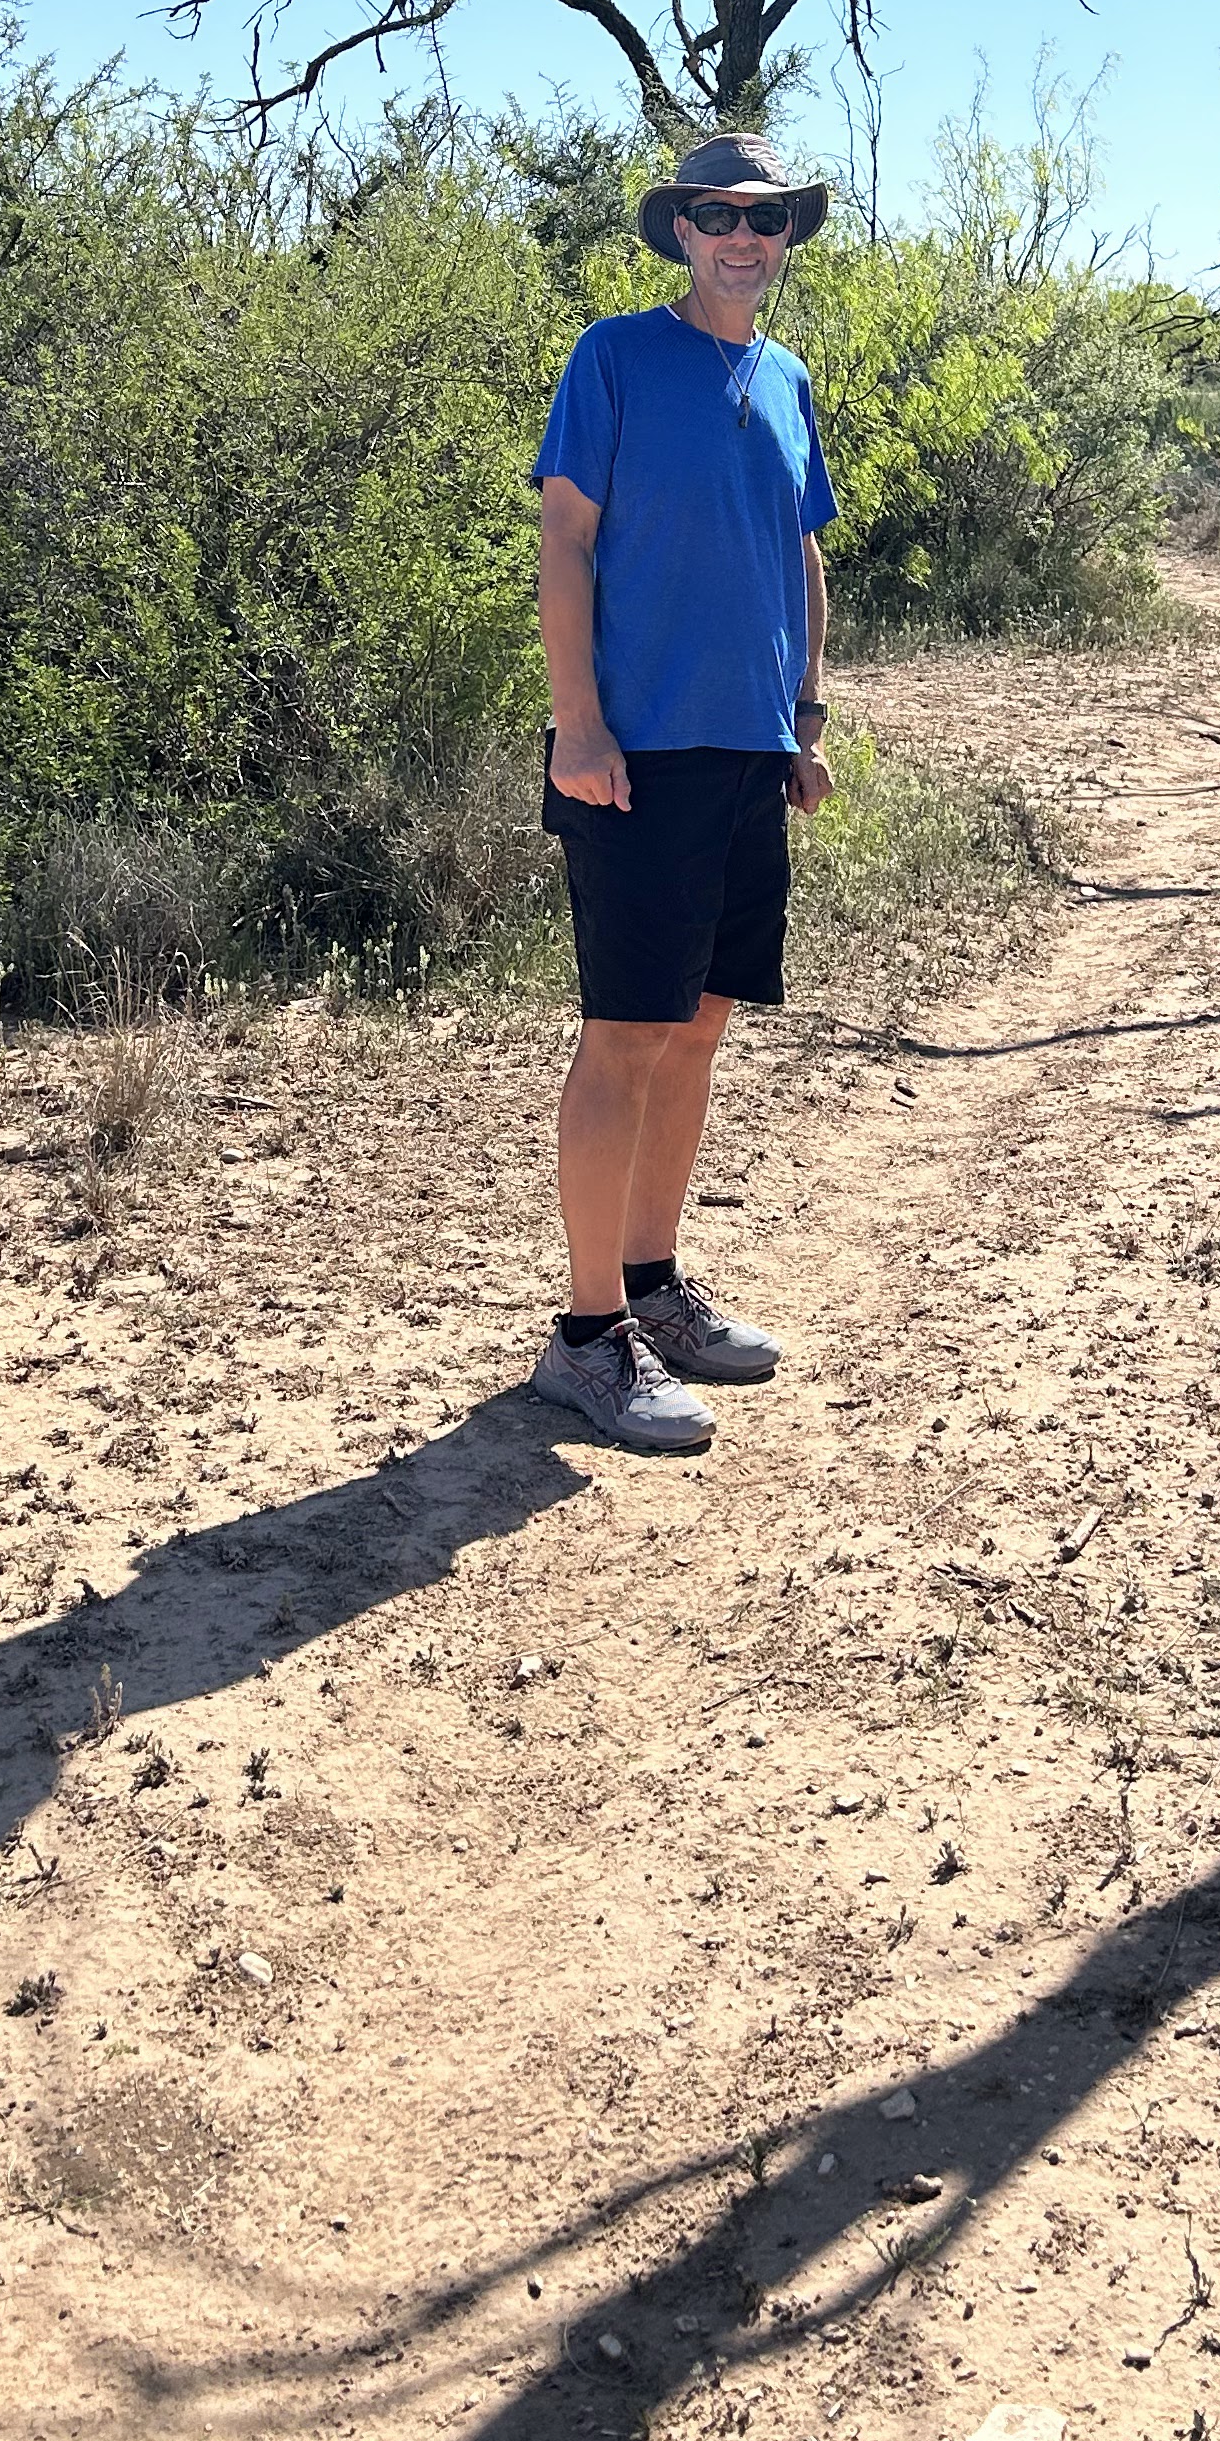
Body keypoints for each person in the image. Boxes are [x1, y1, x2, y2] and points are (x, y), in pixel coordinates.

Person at [525, 129, 840, 1455]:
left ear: (784, 241)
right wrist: (580, 725)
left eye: (765, 219)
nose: (742, 237)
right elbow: (565, 540)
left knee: (699, 1034)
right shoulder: (614, 358)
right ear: (681, 231)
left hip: (746, 757)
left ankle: (654, 1290)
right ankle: (586, 1339)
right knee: (625, 1040)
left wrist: (806, 715)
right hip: (634, 762)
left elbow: (801, 553)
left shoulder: (787, 379)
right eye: (717, 214)